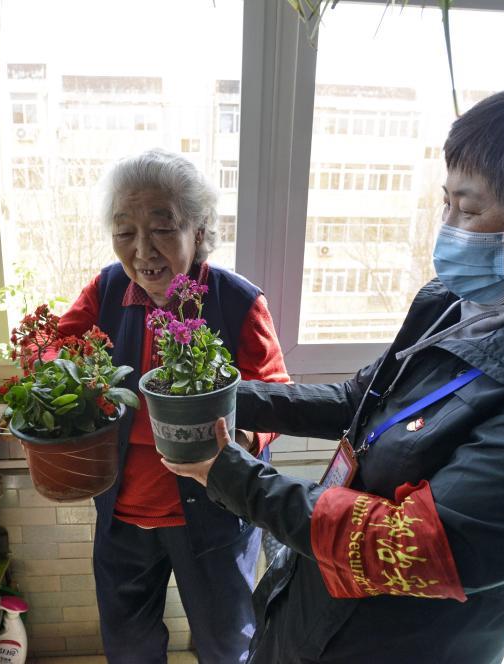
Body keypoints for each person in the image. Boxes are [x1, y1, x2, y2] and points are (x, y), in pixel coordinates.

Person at [164, 77, 504, 663]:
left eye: (469, 209)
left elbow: (412, 545)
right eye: (446, 202)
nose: (447, 226)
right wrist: (226, 398)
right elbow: (361, 400)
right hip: (317, 604)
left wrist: (229, 475)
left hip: (398, 643)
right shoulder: (466, 303)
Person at [57, 148, 290, 663]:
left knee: (227, 641)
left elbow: (274, 391)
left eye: (162, 228)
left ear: (199, 231)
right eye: (125, 231)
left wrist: (242, 439)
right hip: (123, 511)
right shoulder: (107, 290)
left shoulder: (236, 301)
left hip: (215, 514)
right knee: (128, 643)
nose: (143, 250)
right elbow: (56, 347)